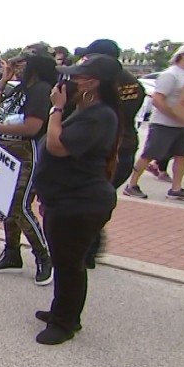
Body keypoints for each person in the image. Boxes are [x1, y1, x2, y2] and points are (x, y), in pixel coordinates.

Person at [33, 54, 123, 345]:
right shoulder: (86, 109)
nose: (69, 81)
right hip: (65, 198)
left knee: (70, 263)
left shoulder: (101, 115)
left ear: (93, 82)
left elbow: (58, 146)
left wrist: (56, 109)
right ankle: (63, 310)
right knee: (64, 259)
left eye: (77, 76)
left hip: (81, 201)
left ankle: (66, 322)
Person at [0, 51, 56, 285]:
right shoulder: (20, 89)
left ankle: (43, 256)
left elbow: (32, 126)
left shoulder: (41, 90)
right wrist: (3, 80)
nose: (16, 68)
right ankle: (11, 253)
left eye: (20, 64)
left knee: (20, 206)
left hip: (26, 152)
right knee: (7, 204)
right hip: (7, 152)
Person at [74, 40, 145, 268]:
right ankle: (89, 247)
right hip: (124, 147)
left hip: (107, 149)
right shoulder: (133, 84)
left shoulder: (102, 86)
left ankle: (87, 249)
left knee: (86, 199)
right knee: (95, 198)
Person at [123, 43, 184, 202]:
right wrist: (174, 115)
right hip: (163, 123)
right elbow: (158, 99)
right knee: (149, 154)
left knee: (182, 155)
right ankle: (131, 185)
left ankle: (176, 188)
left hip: (182, 124)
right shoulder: (170, 75)